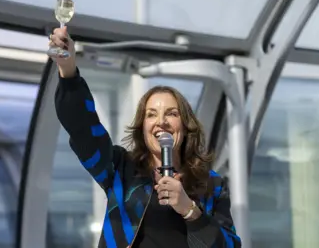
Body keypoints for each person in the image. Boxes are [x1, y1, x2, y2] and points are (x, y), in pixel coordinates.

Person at [51, 27, 242, 248]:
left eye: (171, 113)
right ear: (143, 128)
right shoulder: (121, 169)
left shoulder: (212, 184)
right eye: (151, 115)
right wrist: (68, 70)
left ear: (186, 125)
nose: (161, 121)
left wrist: (190, 210)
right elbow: (82, 128)